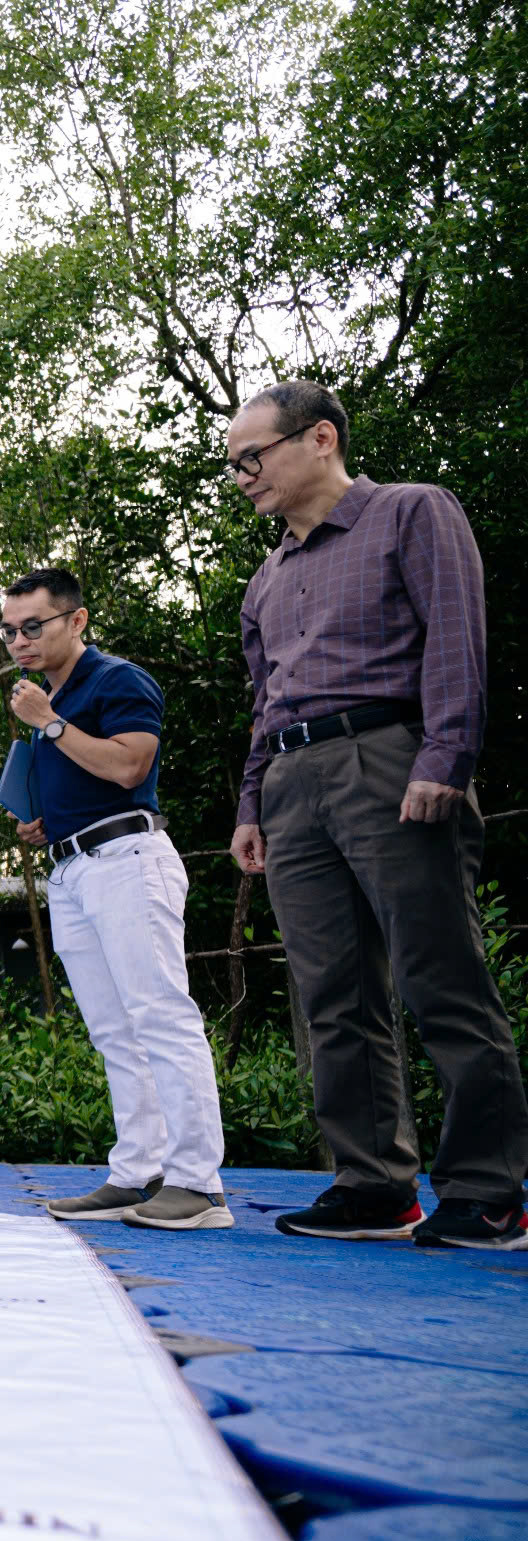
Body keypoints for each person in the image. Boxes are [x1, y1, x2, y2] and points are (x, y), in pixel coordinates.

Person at [225, 381, 528, 1250]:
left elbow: (457, 639)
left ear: (320, 438)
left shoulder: (412, 514)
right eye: (234, 465)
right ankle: (373, 1185)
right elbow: (266, 701)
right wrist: (253, 803)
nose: (244, 475)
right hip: (292, 783)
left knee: (441, 978)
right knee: (330, 995)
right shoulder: (265, 579)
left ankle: (486, 1190)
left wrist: (446, 757)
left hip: (390, 760)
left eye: (256, 456)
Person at [0, 570, 231, 1230]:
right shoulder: (54, 696)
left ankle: (199, 1184)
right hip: (71, 868)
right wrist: (43, 821)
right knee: (114, 1029)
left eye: (33, 626)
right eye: (9, 629)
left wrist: (47, 724)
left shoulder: (117, 680)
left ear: (77, 621)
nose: (20, 639)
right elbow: (88, 777)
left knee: (160, 1013)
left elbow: (130, 766)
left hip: (129, 858)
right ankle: (139, 1173)